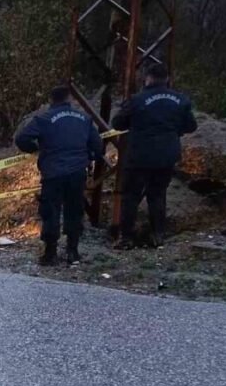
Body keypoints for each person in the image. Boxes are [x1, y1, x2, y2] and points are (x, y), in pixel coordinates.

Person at [15, 85, 106, 266]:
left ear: (51, 100)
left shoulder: (43, 118)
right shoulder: (84, 119)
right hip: (77, 173)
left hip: (53, 173)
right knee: (74, 210)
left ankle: (50, 254)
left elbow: (21, 139)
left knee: (51, 211)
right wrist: (88, 156)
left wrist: (35, 149)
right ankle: (73, 251)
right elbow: (98, 147)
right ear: (69, 99)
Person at [111, 63, 198, 249]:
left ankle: (126, 238)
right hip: (166, 155)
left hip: (139, 155)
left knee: (131, 196)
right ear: (167, 78)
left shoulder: (137, 100)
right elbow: (191, 126)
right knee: (158, 195)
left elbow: (117, 123)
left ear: (147, 78)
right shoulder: (181, 100)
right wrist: (174, 130)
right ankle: (158, 235)